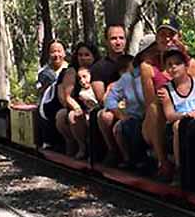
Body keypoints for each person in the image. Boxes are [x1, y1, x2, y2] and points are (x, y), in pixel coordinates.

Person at [139, 17, 195, 181]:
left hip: (184, 112)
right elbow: (150, 102)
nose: (167, 39)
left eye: (171, 34)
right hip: (158, 118)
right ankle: (163, 162)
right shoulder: (147, 66)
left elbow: (194, 92)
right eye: (162, 35)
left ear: (178, 36)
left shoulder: (191, 64)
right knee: (154, 108)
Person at [158, 47, 195, 185]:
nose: (173, 67)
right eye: (169, 65)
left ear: (186, 66)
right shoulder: (166, 90)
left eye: (177, 63)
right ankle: (179, 167)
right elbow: (169, 115)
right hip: (178, 125)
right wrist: (184, 115)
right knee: (178, 126)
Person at [104, 35, 155, 169]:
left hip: (161, 117)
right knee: (126, 126)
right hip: (137, 119)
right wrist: (122, 115)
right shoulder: (128, 78)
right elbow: (110, 99)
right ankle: (134, 160)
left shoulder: (166, 71)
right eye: (151, 52)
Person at [94, 24, 130, 165]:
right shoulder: (99, 67)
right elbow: (102, 99)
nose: (118, 42)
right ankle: (113, 151)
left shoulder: (133, 62)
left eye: (121, 38)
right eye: (113, 38)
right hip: (112, 106)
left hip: (134, 104)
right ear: (106, 41)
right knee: (105, 116)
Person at [56, 42, 98, 159]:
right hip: (78, 107)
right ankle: (81, 147)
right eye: (80, 55)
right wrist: (77, 107)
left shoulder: (98, 69)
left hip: (95, 107)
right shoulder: (71, 71)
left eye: (86, 55)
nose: (83, 58)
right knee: (70, 116)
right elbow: (66, 96)